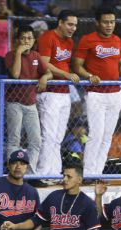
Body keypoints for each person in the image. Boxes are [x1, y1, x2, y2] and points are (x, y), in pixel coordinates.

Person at [73, 7, 121, 176]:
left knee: (107, 136)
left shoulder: (117, 40)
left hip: (115, 93)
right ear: (97, 22)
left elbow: (119, 62)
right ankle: (89, 173)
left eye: (112, 22)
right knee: (96, 135)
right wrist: (90, 76)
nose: (109, 25)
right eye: (105, 22)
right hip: (96, 94)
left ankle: (97, 173)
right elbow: (77, 65)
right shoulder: (87, 40)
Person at [36, 10, 79, 177]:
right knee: (48, 135)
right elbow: (44, 63)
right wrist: (66, 75)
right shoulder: (47, 37)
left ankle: (53, 172)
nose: (73, 28)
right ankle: (42, 173)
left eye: (75, 25)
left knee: (58, 137)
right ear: (60, 22)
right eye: (70, 24)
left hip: (64, 92)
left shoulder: (69, 42)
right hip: (50, 93)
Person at [4, 25, 51, 172]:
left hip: (31, 104)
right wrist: (18, 52)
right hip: (14, 103)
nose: (26, 41)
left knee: (36, 140)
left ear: (34, 40)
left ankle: (30, 172)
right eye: (23, 38)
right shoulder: (11, 55)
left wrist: (44, 77)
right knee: (14, 139)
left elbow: (49, 72)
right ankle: (13, 171)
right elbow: (16, 74)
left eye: (29, 38)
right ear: (17, 40)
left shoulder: (36, 56)